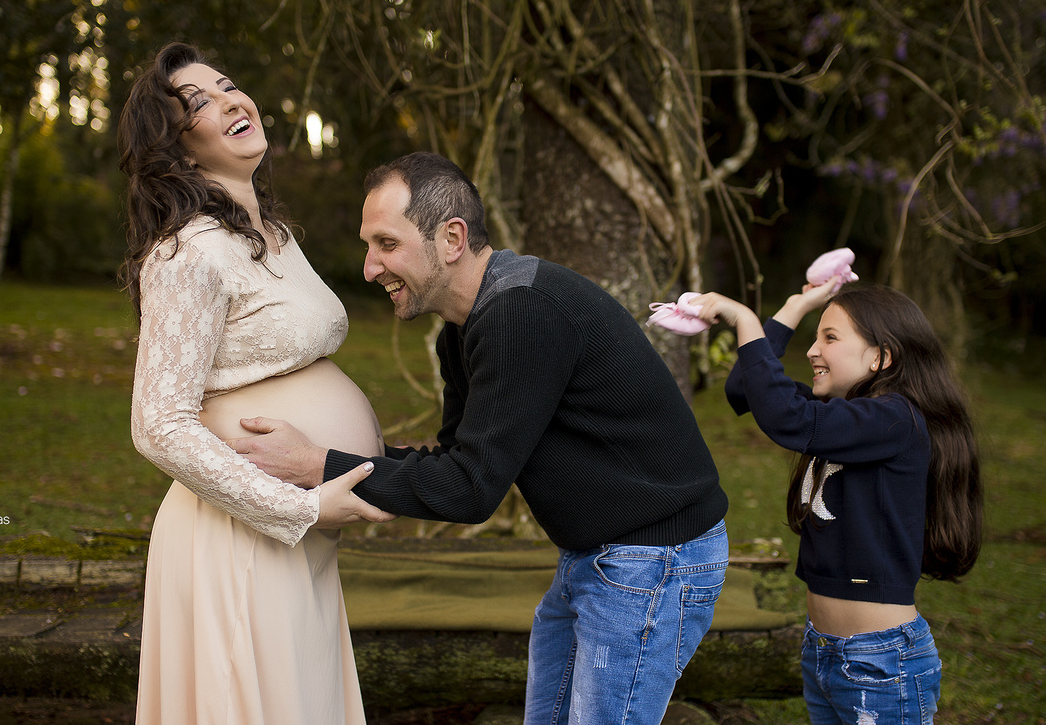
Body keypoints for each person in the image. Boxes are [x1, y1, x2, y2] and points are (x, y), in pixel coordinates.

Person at [231, 152, 730, 724]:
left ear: (452, 239)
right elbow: (456, 463)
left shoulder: (521, 311)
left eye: (387, 244)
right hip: (597, 556)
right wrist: (341, 458)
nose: (369, 268)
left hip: (652, 561)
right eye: (369, 246)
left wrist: (318, 464)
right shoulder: (463, 330)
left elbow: (469, 491)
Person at [118, 42, 394, 725]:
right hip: (237, 539)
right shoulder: (188, 252)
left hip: (290, 543)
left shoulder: (274, 235)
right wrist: (300, 509)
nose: (229, 101)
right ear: (176, 148)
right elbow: (158, 424)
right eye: (198, 103)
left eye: (227, 85)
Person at [689, 282, 983, 724]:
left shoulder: (895, 419)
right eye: (815, 337)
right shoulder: (844, 415)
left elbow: (787, 417)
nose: (812, 351)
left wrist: (745, 319)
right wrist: (796, 305)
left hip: (880, 660)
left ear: (881, 357)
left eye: (830, 337)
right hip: (823, 650)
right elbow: (744, 387)